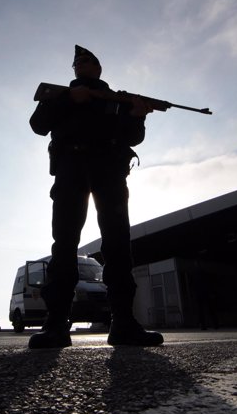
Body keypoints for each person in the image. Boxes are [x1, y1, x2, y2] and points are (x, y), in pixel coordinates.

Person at [28, 45, 164, 349]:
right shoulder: (59, 95)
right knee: (64, 244)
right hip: (70, 169)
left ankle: (124, 323)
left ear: (98, 67)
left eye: (86, 61)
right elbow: (38, 126)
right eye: (76, 62)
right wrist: (67, 100)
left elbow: (132, 137)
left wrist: (138, 115)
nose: (80, 65)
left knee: (117, 244)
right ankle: (56, 323)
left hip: (109, 171)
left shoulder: (116, 98)